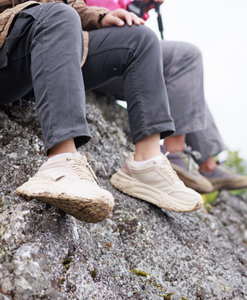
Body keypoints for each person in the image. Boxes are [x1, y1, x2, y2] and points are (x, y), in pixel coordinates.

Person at [0, 0, 203, 223]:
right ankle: (61, 163)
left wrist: (99, 17)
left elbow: (67, 4)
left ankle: (146, 163)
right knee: (58, 16)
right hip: (12, 45)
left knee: (140, 38)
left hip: (55, 40)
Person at [86, 0, 247, 193]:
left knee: (187, 85)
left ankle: (207, 164)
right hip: (96, 56)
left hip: (112, 58)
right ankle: (173, 153)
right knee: (186, 57)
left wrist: (142, 5)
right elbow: (108, 19)